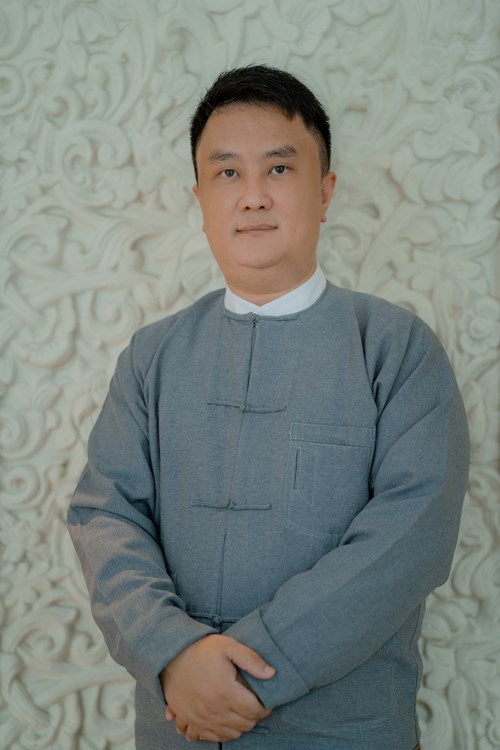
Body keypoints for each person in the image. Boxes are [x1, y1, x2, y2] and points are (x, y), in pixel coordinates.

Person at [67, 65, 469, 749]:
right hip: (180, 727)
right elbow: (105, 516)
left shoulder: (396, 348)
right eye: (227, 173)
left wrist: (245, 677)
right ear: (200, 198)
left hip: (347, 730)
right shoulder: (151, 356)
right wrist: (174, 654)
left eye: (279, 169)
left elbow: (412, 537)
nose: (253, 196)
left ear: (325, 190)